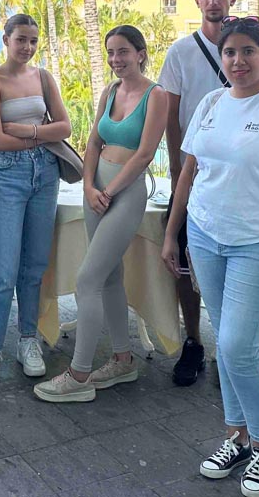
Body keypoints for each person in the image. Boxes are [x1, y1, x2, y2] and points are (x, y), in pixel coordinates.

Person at [162, 17, 259, 497]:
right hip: (205, 236)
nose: (238, 60)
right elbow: (189, 173)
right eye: (230, 52)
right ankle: (237, 436)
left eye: (248, 51)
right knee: (230, 343)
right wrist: (173, 234)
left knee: (235, 346)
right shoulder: (211, 103)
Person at [34, 26, 167, 402]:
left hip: (125, 193)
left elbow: (145, 154)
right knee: (109, 276)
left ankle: (79, 374)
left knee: (87, 280)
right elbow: (94, 141)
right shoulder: (110, 91)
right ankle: (123, 359)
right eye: (110, 52)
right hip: (96, 190)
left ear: (140, 53)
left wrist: (108, 191)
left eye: (123, 51)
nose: (115, 59)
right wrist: (89, 186)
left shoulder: (156, 95)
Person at [0, 14, 71, 385]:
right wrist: (41, 133)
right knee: (3, 269)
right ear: (6, 40)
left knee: (34, 265)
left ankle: (28, 339)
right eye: (21, 39)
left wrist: (26, 130)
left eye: (33, 40)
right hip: (6, 175)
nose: (27, 47)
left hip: (45, 173)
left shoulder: (43, 77)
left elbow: (65, 127)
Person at [159, 0, 238, 386]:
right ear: (196, 0)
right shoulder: (181, 52)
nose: (213, 1)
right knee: (184, 263)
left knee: (237, 264)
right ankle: (193, 340)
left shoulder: (245, 46)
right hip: (193, 173)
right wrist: (177, 171)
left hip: (239, 178)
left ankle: (233, 348)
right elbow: (171, 115)